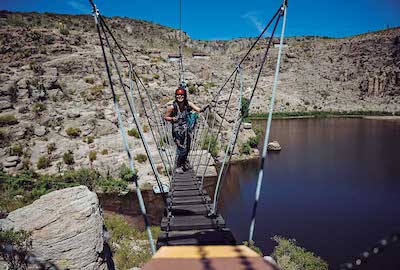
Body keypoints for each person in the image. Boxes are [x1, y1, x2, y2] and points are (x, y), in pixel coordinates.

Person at [164, 86, 203, 174]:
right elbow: (165, 117)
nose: (180, 97)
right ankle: (179, 165)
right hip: (177, 130)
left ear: (184, 96)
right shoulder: (172, 107)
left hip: (186, 129)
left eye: (181, 95)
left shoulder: (187, 104)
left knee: (187, 147)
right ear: (175, 96)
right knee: (181, 148)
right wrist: (173, 119)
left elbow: (198, 109)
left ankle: (183, 162)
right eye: (178, 95)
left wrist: (203, 109)